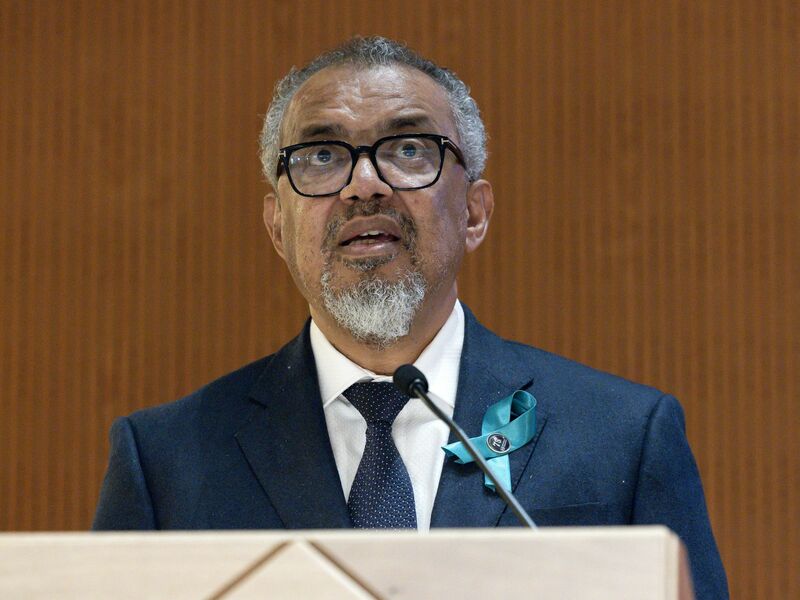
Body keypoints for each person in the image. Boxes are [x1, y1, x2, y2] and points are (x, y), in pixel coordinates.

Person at [93, 36, 728, 598]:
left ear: (474, 213)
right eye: (321, 156)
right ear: (277, 229)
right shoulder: (167, 462)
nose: (364, 184)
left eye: (408, 148)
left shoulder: (622, 436)